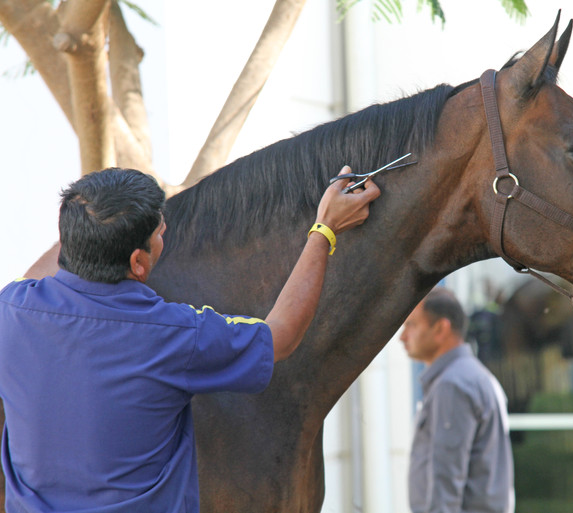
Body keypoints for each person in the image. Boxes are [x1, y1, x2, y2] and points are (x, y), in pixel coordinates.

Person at [0, 166, 379, 513]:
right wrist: (324, 229)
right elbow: (280, 336)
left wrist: (91, 222)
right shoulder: (176, 335)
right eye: (159, 235)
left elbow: (41, 270)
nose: (163, 239)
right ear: (137, 262)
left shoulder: (11, 311)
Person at [401, 287, 515, 513]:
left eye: (412, 325)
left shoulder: (452, 385)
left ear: (441, 328)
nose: (402, 337)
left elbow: (446, 480)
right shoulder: (472, 375)